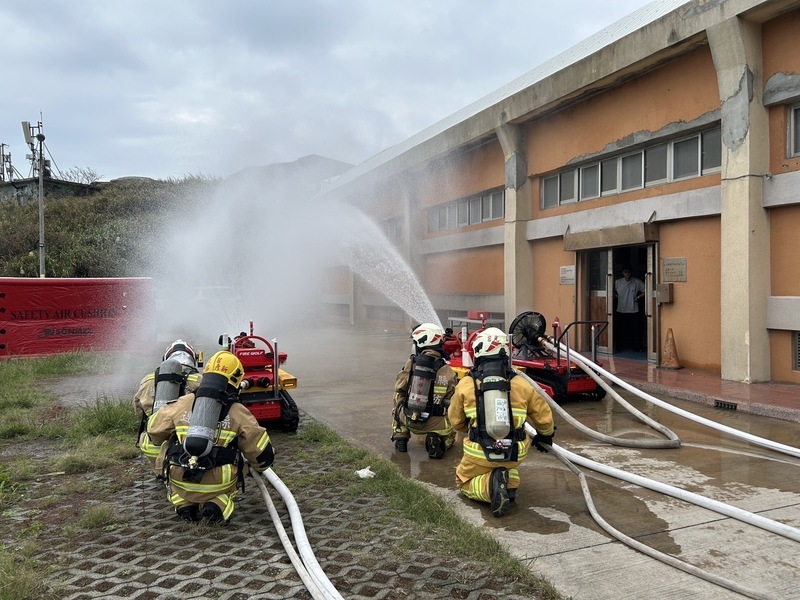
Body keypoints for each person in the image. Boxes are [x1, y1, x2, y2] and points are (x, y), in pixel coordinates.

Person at [146, 350, 275, 524]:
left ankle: (183, 505)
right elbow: (261, 454)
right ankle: (218, 504)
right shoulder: (238, 411)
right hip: (218, 481)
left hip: (179, 475)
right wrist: (259, 466)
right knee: (240, 467)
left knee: (168, 444)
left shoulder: (182, 403)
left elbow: (154, 431)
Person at [448, 327, 555, 517]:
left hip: (480, 451)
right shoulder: (522, 384)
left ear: (479, 353)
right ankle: (507, 484)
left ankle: (490, 487)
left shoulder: (466, 383)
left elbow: (456, 422)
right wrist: (545, 436)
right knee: (507, 469)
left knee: (462, 480)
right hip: (515, 452)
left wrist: (471, 428)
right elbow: (543, 415)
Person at [391, 322, 458, 459]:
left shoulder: (411, 363)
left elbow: (400, 386)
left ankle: (400, 435)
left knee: (398, 395)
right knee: (452, 428)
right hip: (436, 424)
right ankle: (440, 442)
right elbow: (453, 400)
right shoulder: (448, 370)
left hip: (408, 419)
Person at [134, 339, 202, 473]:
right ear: (192, 358)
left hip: (153, 444)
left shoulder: (148, 380)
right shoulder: (199, 380)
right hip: (186, 445)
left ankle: (161, 472)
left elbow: (138, 411)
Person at [613, 264, 646, 352]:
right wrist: (616, 297)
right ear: (622, 273)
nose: (627, 274)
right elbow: (610, 291)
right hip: (621, 309)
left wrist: (638, 297)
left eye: (629, 272)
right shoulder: (617, 282)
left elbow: (646, 290)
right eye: (625, 272)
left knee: (635, 330)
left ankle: (637, 347)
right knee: (620, 330)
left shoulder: (637, 282)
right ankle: (618, 347)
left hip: (634, 310)